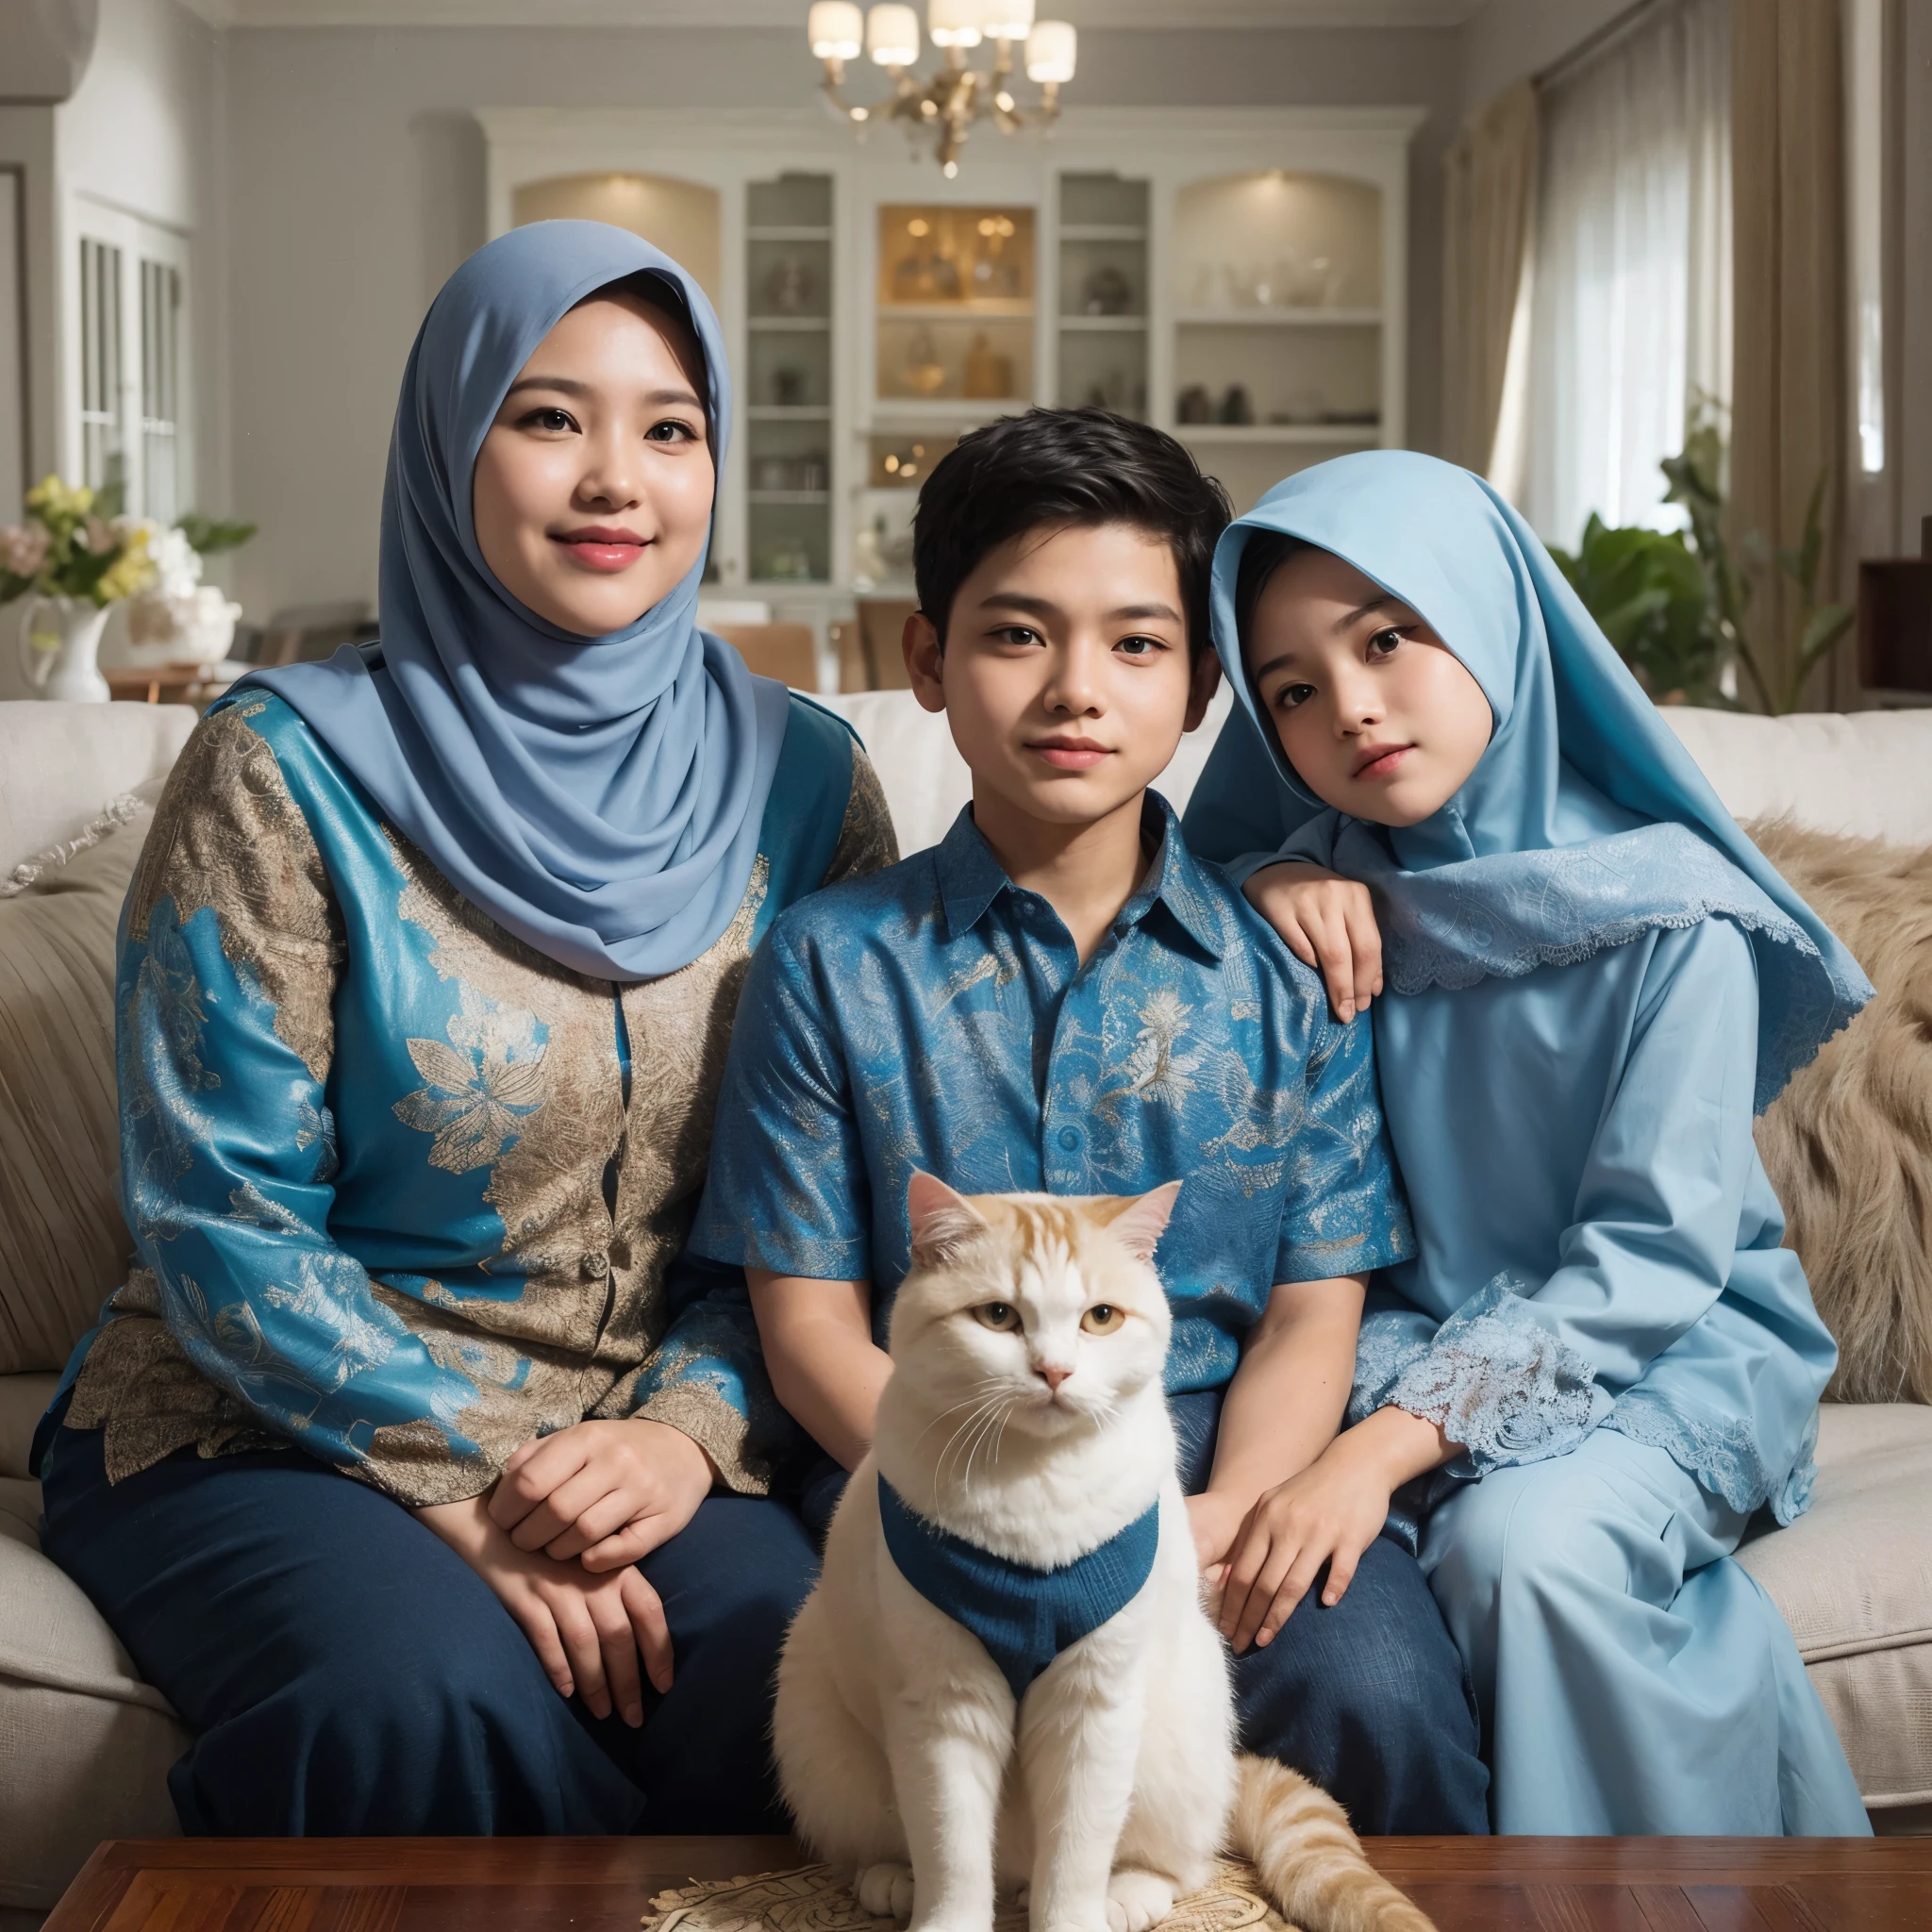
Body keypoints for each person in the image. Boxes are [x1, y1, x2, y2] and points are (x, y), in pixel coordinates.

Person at [34, 220, 897, 1837]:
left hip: (643, 1433)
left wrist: (687, 1436)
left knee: (810, 1688)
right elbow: (217, 1214)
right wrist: (456, 1478)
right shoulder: (282, 768)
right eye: (548, 415)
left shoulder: (808, 784)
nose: (616, 481)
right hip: (267, 1421)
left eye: (671, 429)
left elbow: (828, 1200)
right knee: (412, 1700)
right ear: (449, 444)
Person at [685, 408, 1491, 1836]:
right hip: (928, 1461)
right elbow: (809, 1322)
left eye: (1135, 643)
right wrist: (975, 1502)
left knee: (1375, 1697)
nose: (1075, 690)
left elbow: (1316, 1307)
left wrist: (1235, 1510)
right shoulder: (827, 961)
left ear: (1199, 690)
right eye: (1015, 636)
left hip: (1215, 1466)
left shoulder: (1288, 968)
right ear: (927, 661)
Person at [1180, 447, 1874, 1836]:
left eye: (1390, 640)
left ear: (1495, 613)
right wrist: (1265, 873)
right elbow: (1143, 893)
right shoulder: (1313, 893)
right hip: (1394, 1337)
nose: (1353, 711)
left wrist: (1371, 1457)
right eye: (1294, 691)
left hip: (1666, 1342)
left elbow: (1650, 1260)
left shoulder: (1671, 916)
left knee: (1521, 1551)